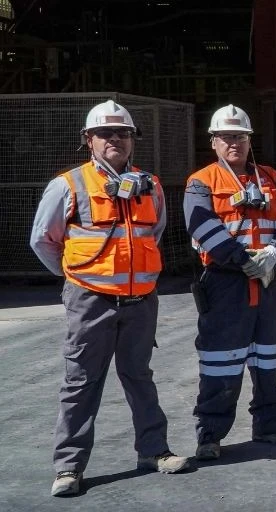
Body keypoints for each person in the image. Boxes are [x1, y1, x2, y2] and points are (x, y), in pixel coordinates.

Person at [30, 100, 192, 497]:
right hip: (91, 302)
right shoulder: (68, 185)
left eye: (123, 133)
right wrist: (76, 280)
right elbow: (43, 240)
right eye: (105, 133)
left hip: (139, 301)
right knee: (81, 382)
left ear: (133, 140)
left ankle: (154, 452)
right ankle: (69, 467)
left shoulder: (150, 186)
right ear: (89, 140)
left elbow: (152, 235)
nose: (115, 139)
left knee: (140, 377)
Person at [185, 105, 276, 460]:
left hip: (268, 278)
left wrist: (274, 254)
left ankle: (270, 425)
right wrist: (242, 260)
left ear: (250, 141)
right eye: (226, 137)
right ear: (214, 142)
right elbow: (201, 226)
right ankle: (210, 435)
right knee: (220, 360)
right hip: (225, 283)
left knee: (268, 357)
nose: (233, 143)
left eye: (240, 136)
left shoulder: (271, 178)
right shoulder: (201, 181)